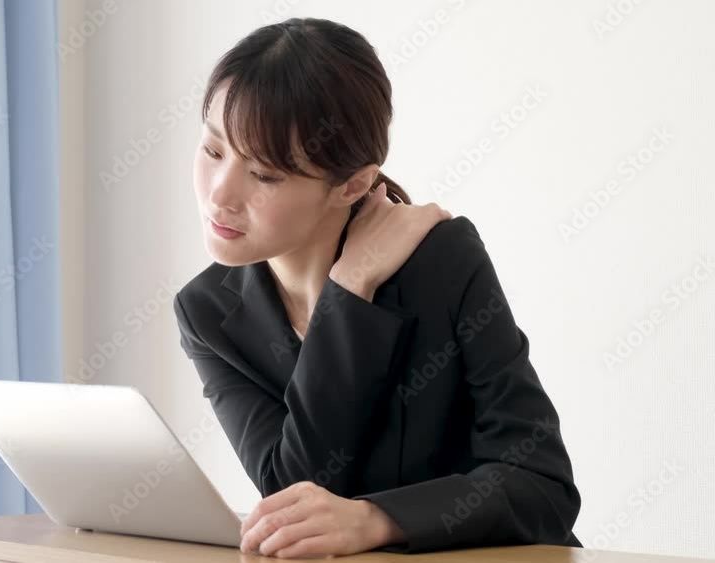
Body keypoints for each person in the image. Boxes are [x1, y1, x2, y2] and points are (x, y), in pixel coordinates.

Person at [172, 17, 581, 558]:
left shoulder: (440, 261)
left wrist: (376, 520)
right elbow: (292, 492)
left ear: (353, 185)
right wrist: (346, 291)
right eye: (213, 150)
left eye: (264, 175)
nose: (219, 196)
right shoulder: (207, 312)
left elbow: (543, 487)